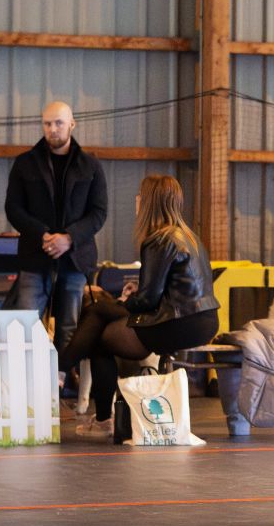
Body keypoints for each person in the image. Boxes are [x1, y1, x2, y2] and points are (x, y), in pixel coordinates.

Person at [58, 174, 219, 437]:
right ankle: (63, 371)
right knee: (98, 314)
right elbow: (169, 289)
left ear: (149, 202)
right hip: (204, 320)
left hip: (178, 322)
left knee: (98, 328)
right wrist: (135, 294)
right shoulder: (189, 236)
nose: (136, 199)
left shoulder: (158, 239)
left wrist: (127, 300)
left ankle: (65, 375)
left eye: (140, 195)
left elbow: (148, 300)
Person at [4, 101, 107, 351]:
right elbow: (13, 208)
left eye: (59, 123)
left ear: (72, 124)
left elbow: (98, 212)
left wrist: (69, 238)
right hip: (34, 256)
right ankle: (28, 372)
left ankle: (63, 373)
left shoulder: (91, 166)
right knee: (26, 326)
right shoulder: (24, 163)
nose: (52, 129)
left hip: (75, 259)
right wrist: (43, 235)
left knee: (69, 328)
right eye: (47, 123)